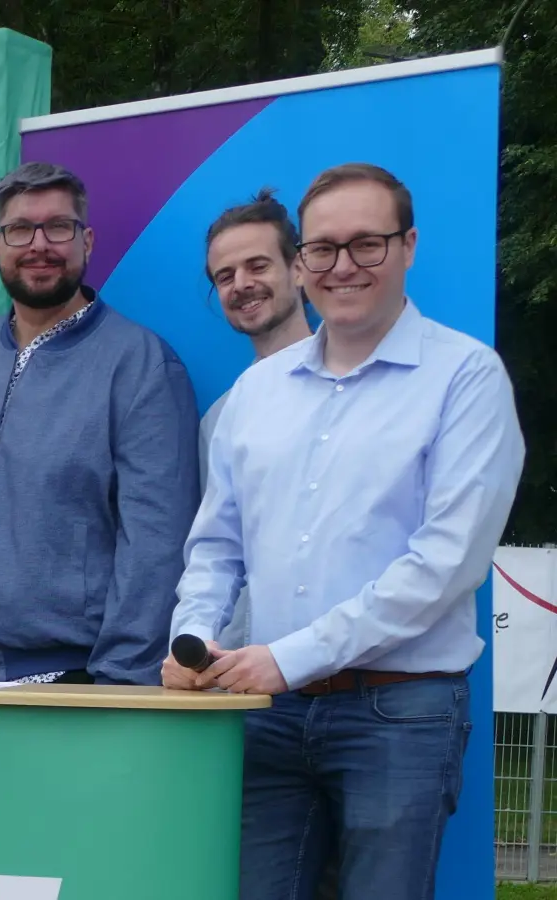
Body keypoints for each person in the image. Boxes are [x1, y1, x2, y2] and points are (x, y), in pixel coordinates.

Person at [165, 163, 525, 899]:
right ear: (303, 265)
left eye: (367, 244)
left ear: (409, 246)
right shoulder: (257, 393)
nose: (343, 266)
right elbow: (217, 545)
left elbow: (445, 563)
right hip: (262, 713)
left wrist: (290, 657)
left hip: (401, 711)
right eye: (323, 249)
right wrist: (192, 637)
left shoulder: (466, 378)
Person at [0, 161, 199, 687]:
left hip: (66, 683)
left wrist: (122, 684)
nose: (39, 244)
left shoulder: (140, 363)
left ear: (86, 241)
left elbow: (157, 542)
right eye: (20, 229)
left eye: (58, 227)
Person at [199, 189, 314, 652]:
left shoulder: (367, 386)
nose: (241, 284)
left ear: (299, 268)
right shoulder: (221, 416)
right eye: (224, 276)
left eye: (258, 266)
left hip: (358, 686)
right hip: (248, 682)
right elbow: (218, 557)